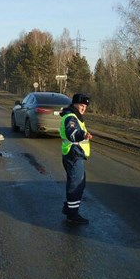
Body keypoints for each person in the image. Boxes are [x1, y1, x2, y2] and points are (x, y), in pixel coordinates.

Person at [59, 93, 92, 224]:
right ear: (74, 104)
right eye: (81, 105)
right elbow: (72, 133)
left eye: (85, 106)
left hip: (75, 154)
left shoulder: (75, 116)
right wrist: (83, 135)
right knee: (76, 184)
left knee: (79, 183)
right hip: (73, 154)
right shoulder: (71, 117)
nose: (83, 108)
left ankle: (69, 208)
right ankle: (72, 214)